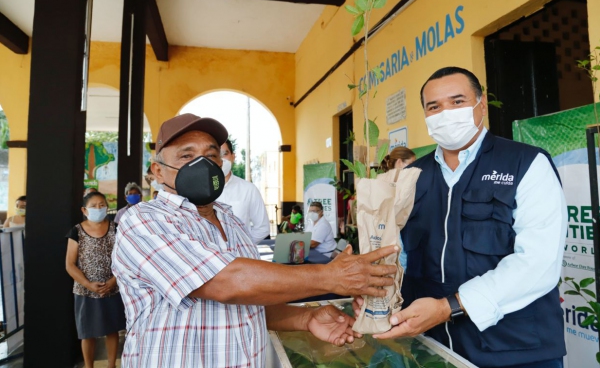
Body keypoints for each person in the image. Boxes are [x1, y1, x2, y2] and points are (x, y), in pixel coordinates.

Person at [112, 113, 399, 367]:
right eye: (187, 156)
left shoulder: (232, 222)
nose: (203, 164)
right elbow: (226, 282)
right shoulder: (144, 221)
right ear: (158, 170)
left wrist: (305, 319)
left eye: (211, 156)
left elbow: (246, 301)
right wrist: (329, 276)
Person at [362, 67, 567, 368]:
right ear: (426, 116)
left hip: (517, 351)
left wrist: (450, 307)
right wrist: (375, 297)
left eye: (457, 102)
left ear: (481, 105)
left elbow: (538, 262)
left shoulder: (525, 163)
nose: (446, 113)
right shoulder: (409, 178)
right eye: (434, 106)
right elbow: (400, 257)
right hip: (433, 348)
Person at [65, 191, 125, 368]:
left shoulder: (116, 228)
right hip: (85, 291)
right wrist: (88, 284)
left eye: (102, 205)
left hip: (112, 289)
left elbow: (125, 259)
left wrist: (113, 281)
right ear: (84, 210)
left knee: (112, 329)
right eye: (94, 206)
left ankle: (111, 365)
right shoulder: (76, 231)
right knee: (87, 332)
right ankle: (88, 365)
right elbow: (70, 264)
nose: (99, 209)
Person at [217, 138, 271, 243]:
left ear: (233, 157)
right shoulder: (199, 191)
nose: (221, 160)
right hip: (210, 257)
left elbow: (263, 228)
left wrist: (243, 246)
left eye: (224, 154)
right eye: (215, 155)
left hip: (241, 256)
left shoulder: (248, 189)